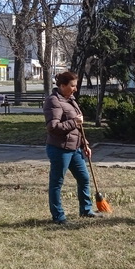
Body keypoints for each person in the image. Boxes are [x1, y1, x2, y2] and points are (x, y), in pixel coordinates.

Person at [44, 71, 97, 224]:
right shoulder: (53, 101)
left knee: (84, 179)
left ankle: (86, 210)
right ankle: (59, 217)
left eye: (76, 85)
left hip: (75, 149)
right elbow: (52, 127)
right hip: (59, 149)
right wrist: (74, 121)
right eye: (72, 86)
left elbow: (78, 128)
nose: (75, 89)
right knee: (57, 183)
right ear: (62, 85)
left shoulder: (70, 100)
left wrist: (84, 144)